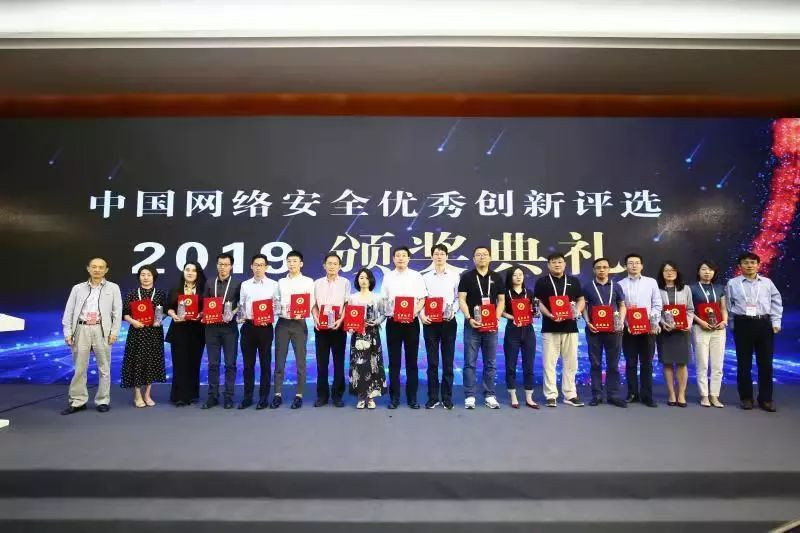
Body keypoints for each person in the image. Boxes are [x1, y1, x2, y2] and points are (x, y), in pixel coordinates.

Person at [60, 257, 123, 415]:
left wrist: (114, 332)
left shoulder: (113, 288)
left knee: (104, 368)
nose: (97, 270)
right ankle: (78, 401)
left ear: (106, 270)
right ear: (88, 268)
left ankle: (103, 400)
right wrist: (68, 332)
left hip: (102, 330)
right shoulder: (77, 288)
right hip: (81, 329)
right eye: (94, 267)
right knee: (80, 368)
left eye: (101, 267)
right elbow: (69, 311)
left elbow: (117, 312)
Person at [725, 252, 783, 412]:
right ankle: (746, 398)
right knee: (744, 364)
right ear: (740, 266)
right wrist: (732, 325)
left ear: (758, 265)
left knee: (766, 364)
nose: (749, 265)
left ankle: (766, 399)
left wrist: (776, 322)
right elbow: (729, 305)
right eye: (745, 262)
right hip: (742, 324)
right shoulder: (732, 283)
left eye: (752, 262)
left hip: (764, 324)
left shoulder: (767, 283)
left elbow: (776, 302)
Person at [534, 252, 586, 408]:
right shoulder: (542, 282)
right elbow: (537, 302)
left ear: (565, 264)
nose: (557, 265)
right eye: (554, 262)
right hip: (550, 328)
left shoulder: (573, 281)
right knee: (549, 364)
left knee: (571, 363)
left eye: (560, 262)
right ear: (548, 265)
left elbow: (581, 299)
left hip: (570, 328)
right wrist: (549, 315)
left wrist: (576, 311)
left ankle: (570, 394)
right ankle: (551, 395)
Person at [458, 246, 505, 409]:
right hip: (472, 325)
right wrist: (469, 318)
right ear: (473, 259)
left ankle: (490, 395)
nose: (482, 257)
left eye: (485, 254)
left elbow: (501, 300)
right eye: (478, 255)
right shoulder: (467, 277)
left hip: (491, 327)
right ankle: (470, 395)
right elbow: (462, 299)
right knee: (470, 362)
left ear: (490, 258)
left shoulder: (497, 277)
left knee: (490, 362)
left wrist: (496, 318)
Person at [380, 246, 426, 409]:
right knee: (394, 362)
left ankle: (412, 398)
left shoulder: (416, 276)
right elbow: (384, 300)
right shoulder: (388, 277)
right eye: (397, 256)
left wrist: (413, 313)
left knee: (412, 361)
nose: (400, 258)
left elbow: (422, 299)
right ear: (393, 259)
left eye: (404, 255)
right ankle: (394, 398)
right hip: (393, 322)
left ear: (409, 258)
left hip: (411, 323)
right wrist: (390, 312)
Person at [618, 253, 662, 408]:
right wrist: (626, 323)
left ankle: (647, 395)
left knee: (647, 363)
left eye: (637, 262)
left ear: (642, 265)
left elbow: (657, 304)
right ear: (626, 266)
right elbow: (619, 307)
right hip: (628, 329)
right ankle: (632, 393)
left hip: (648, 329)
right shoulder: (620, 284)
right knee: (630, 362)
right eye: (630, 263)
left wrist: (652, 322)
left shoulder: (651, 282)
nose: (634, 265)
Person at [581, 257, 627, 407]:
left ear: (609, 269)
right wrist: (587, 322)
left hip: (614, 330)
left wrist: (620, 321)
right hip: (594, 330)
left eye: (604, 267)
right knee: (595, 363)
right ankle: (597, 395)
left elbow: (622, 305)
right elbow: (584, 307)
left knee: (613, 364)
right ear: (594, 270)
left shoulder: (616, 286)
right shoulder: (587, 287)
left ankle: (613, 395)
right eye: (598, 267)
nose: (601, 270)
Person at [272, 250, 315, 409]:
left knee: (300, 362)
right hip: (283, 323)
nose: (291, 264)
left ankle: (299, 395)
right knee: (279, 361)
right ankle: (277, 394)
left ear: (301, 263)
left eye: (295, 261)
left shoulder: (308, 282)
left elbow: (311, 302)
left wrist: (302, 312)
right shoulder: (281, 282)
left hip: (299, 324)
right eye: (289, 261)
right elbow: (275, 301)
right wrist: (278, 309)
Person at [121, 264, 167, 407]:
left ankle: (147, 394)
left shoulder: (160, 294)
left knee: (151, 362)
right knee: (137, 362)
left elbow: (164, 312)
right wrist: (133, 322)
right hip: (137, 333)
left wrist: (159, 320)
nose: (145, 277)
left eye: (149, 275)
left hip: (154, 333)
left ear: (154, 277)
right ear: (139, 277)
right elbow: (125, 314)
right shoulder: (132, 293)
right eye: (142, 275)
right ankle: (137, 395)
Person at [237, 254, 280, 410]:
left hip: (265, 328)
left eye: (261, 265)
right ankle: (247, 397)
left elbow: (277, 306)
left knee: (265, 364)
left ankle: (263, 398)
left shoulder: (273, 285)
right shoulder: (245, 285)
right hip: (248, 327)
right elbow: (241, 305)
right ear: (251, 266)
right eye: (256, 265)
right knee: (248, 365)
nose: (258, 268)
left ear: (266, 267)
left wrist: (269, 317)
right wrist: (240, 316)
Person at [420, 244, 460, 410]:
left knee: (448, 362)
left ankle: (447, 397)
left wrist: (453, 311)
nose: (439, 256)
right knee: (432, 363)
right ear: (431, 257)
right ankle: (433, 397)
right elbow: (421, 299)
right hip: (430, 322)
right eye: (436, 254)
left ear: (447, 256)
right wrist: (422, 315)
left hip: (448, 322)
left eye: (442, 254)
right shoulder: (425, 277)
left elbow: (458, 298)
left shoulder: (455, 276)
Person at [202, 252, 241, 410]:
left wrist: (233, 313)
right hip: (211, 328)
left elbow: (241, 304)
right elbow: (205, 303)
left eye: (226, 265)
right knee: (213, 363)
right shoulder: (209, 282)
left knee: (230, 364)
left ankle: (229, 396)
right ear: (217, 265)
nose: (223, 267)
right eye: (220, 264)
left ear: (231, 266)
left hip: (229, 328)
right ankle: (213, 396)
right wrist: (203, 314)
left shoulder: (237, 284)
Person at [165, 261, 207, 407]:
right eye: (187, 269)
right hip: (179, 329)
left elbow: (207, 307)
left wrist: (201, 314)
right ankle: (180, 396)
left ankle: (192, 393)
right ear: (183, 272)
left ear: (198, 273)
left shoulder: (203, 289)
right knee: (180, 362)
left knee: (194, 362)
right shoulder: (175, 288)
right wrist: (173, 315)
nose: (190, 273)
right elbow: (168, 307)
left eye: (193, 270)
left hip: (197, 329)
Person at [312, 252, 351, 408]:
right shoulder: (317, 283)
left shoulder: (345, 283)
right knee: (322, 363)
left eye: (335, 264)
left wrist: (341, 320)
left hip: (338, 326)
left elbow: (347, 304)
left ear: (339, 266)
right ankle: (322, 395)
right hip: (320, 328)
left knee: (338, 362)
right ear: (324, 265)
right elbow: (313, 305)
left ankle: (337, 395)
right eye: (329, 263)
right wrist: (315, 319)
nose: (332, 266)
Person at [690, 259, 728, 408]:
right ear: (698, 271)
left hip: (718, 329)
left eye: (710, 270)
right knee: (703, 363)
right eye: (704, 269)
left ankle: (715, 395)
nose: (707, 272)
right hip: (700, 329)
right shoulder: (691, 288)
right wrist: (701, 322)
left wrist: (724, 321)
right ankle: (704, 395)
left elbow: (723, 308)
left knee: (718, 364)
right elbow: (688, 310)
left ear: (714, 272)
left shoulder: (719, 288)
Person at [656, 261, 695, 408]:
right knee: (667, 363)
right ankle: (671, 394)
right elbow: (655, 309)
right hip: (665, 331)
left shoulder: (686, 289)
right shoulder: (657, 289)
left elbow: (690, 309)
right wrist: (661, 322)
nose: (669, 273)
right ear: (662, 273)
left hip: (682, 332)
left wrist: (687, 324)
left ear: (677, 272)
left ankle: (681, 394)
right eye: (666, 270)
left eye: (672, 270)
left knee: (681, 363)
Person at [347, 268, 387, 409]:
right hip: (358, 335)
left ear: (371, 280)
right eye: (361, 278)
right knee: (358, 365)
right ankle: (360, 396)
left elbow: (384, 314)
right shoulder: (352, 298)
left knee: (373, 364)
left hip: (373, 334)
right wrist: (351, 327)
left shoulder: (377, 297)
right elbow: (349, 316)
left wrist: (376, 322)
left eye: (366, 278)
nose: (364, 280)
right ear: (357, 280)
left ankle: (371, 397)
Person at [500, 265, 538, 409]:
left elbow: (534, 310)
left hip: (528, 331)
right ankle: (513, 395)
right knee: (511, 364)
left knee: (529, 365)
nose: (518, 277)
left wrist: (535, 313)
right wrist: (513, 317)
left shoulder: (529, 292)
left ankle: (529, 397)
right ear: (510, 277)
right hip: (512, 330)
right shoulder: (505, 293)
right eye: (515, 275)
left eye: (520, 274)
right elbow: (501, 311)